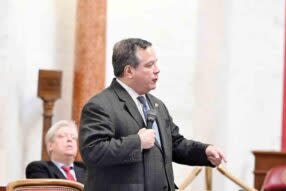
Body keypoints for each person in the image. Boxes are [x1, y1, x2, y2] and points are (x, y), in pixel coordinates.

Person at [79, 38, 226, 191]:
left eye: (156, 63)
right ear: (129, 71)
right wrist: (137, 143)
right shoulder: (100, 105)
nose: (157, 69)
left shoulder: (156, 104)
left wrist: (204, 152)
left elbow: (174, 143)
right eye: (149, 65)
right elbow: (92, 151)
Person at [26, 120, 87, 184]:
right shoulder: (38, 168)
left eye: (73, 137)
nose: (69, 139)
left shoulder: (86, 169)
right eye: (62, 136)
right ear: (50, 145)